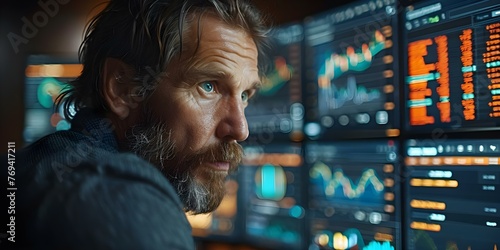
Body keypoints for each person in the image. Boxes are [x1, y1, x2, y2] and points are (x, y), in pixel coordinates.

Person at [15, 0, 269, 249]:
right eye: (208, 86)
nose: (240, 129)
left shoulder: (48, 162)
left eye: (245, 95)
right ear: (123, 89)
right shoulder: (120, 200)